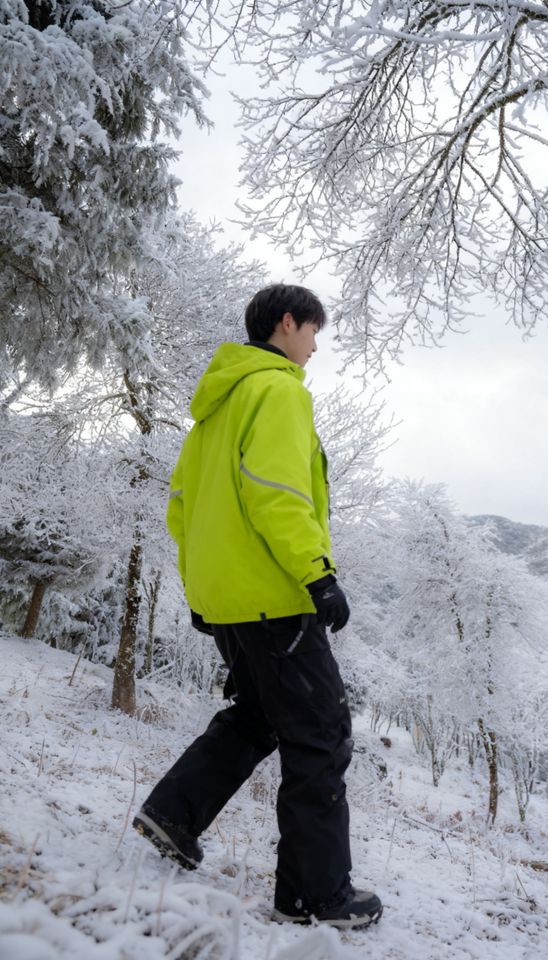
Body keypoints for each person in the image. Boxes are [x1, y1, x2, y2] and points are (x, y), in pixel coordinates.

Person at [133, 284, 382, 929]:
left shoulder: (213, 412)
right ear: (287, 323)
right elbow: (277, 492)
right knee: (320, 736)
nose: (317, 345)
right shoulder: (278, 391)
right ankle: (316, 895)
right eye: (314, 331)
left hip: (228, 600)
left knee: (258, 716)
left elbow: (182, 511)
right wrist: (317, 575)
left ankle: (172, 814)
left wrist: (202, 594)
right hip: (275, 597)